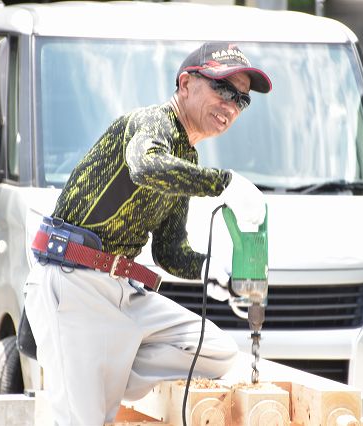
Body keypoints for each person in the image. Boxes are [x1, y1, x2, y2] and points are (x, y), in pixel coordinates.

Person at [24, 41, 272, 425]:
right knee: (81, 420)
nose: (231, 105)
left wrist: (215, 271)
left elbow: (169, 252)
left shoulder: (186, 157)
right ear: (186, 83)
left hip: (124, 292)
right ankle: (90, 370)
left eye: (242, 100)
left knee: (216, 350)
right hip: (74, 283)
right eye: (223, 89)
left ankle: (105, 365)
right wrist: (225, 184)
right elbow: (145, 166)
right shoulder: (151, 122)